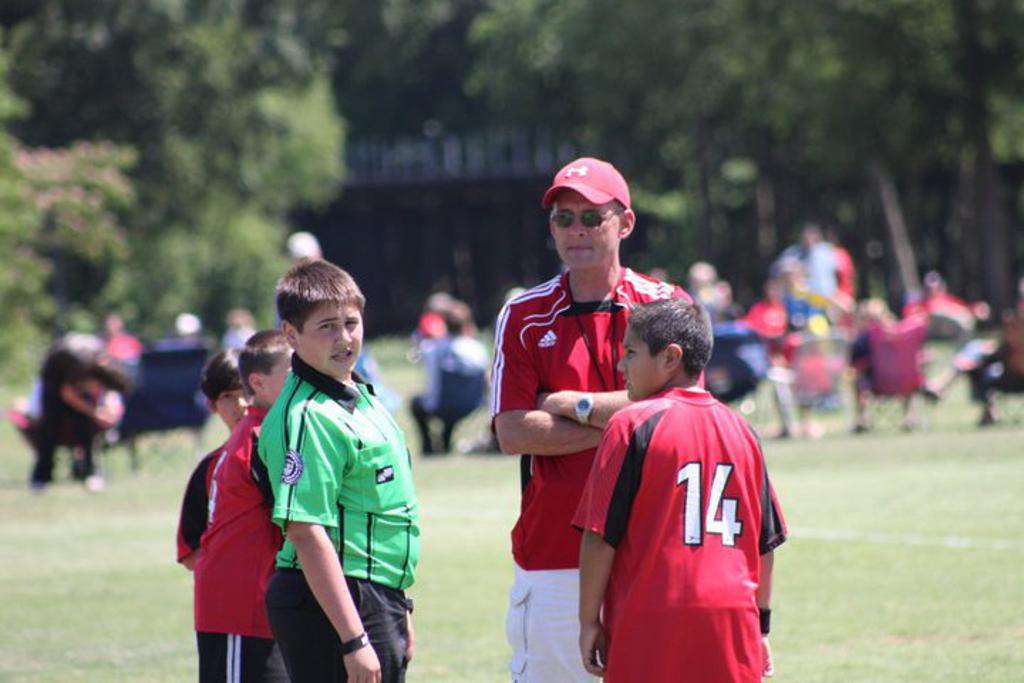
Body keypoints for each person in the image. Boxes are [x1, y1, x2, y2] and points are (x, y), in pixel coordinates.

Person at [491, 156, 691, 682]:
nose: (575, 230)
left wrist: (571, 404)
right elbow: (512, 431)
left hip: (653, 549)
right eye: (563, 218)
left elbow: (683, 414)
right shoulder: (523, 316)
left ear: (624, 223)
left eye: (591, 216)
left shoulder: (667, 305)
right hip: (553, 555)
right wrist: (631, 414)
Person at [574, 299, 787, 682]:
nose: (621, 365)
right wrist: (762, 624)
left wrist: (588, 620)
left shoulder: (630, 424)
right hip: (733, 613)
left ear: (671, 358)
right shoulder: (743, 431)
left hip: (653, 613)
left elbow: (599, 537)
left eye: (631, 352)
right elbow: (764, 546)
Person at [259, 259, 419, 683]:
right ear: (291, 335)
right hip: (336, 601)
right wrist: (354, 639)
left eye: (351, 322)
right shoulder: (309, 415)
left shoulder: (359, 393)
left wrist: (399, 605)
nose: (344, 338)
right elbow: (307, 533)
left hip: (371, 597)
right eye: (326, 326)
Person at [193, 331, 292, 683]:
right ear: (260, 383)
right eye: (292, 372)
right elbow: (298, 521)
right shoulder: (258, 436)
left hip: (265, 600)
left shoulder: (265, 430)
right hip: (240, 603)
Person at [27, 334, 130, 492]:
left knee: (85, 428)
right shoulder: (81, 363)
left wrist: (110, 411)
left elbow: (109, 389)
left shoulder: (106, 363)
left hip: (75, 382)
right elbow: (67, 392)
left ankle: (89, 472)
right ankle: (41, 477)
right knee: (50, 429)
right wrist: (95, 413)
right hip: (54, 383)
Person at [176, 349, 247, 571]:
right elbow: (190, 552)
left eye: (246, 391)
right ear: (212, 405)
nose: (241, 404)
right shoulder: (209, 470)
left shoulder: (287, 456)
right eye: (228, 396)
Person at [410, 300, 489, 455]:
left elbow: (430, 377)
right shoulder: (478, 348)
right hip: (472, 405)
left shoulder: (433, 348)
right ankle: (445, 443)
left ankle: (428, 447)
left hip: (442, 405)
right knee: (452, 407)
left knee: (416, 404)